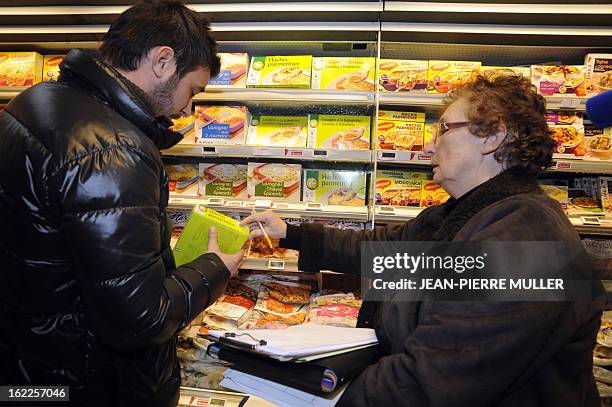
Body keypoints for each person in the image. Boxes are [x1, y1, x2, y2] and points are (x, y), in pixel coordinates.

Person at [242, 73, 603, 406]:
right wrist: (291, 233)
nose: (429, 148)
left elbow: (432, 380)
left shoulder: (526, 243)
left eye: (444, 130)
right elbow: (382, 251)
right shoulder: (466, 215)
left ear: (493, 137)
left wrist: (326, 394)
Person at [0, 1, 243, 406]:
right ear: (163, 61)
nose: (187, 109)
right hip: (90, 384)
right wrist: (213, 269)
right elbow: (138, 321)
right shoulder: (114, 150)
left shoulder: (34, 101)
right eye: (193, 91)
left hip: (29, 368)